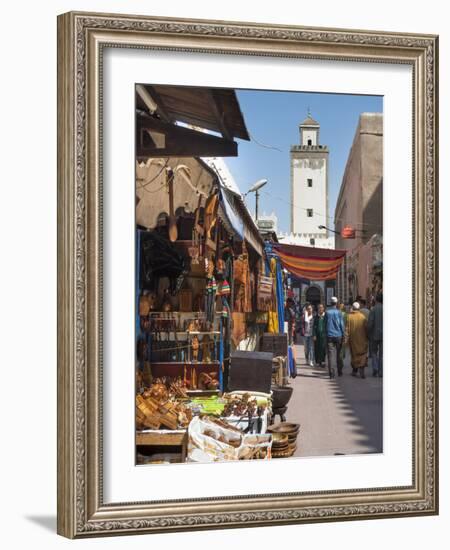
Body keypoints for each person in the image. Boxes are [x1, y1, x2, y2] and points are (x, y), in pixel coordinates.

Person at [345, 302, 369, 378]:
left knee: (354, 355)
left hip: (353, 339)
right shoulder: (363, 317)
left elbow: (346, 329)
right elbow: (366, 328)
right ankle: (362, 368)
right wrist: (367, 337)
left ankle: (355, 370)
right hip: (362, 339)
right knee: (362, 354)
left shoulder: (349, 317)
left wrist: (346, 339)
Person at [325, 297, 345, 378]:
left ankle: (331, 373)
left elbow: (325, 324)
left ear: (330, 303)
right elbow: (341, 324)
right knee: (339, 354)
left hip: (329, 335)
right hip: (338, 335)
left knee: (330, 355)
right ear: (336, 303)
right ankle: (339, 371)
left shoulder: (327, 312)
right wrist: (343, 334)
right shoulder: (339, 312)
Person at [368, 292, 383, 377]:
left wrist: (368, 332)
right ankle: (381, 371)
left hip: (374, 334)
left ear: (376, 300)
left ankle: (375, 368)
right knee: (382, 354)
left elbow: (370, 323)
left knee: (374, 352)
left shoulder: (373, 309)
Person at [313, 303, 327, 367]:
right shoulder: (316, 317)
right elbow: (314, 327)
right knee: (317, 348)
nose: (320, 309)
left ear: (323, 308)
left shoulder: (326, 317)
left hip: (324, 335)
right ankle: (318, 361)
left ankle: (323, 361)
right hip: (317, 336)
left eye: (321, 308)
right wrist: (314, 335)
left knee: (323, 348)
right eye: (319, 308)